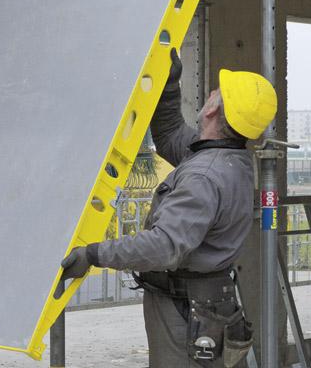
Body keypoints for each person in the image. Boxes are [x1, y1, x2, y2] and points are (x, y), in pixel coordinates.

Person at [58, 53, 276, 367]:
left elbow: (163, 246)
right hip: (208, 300)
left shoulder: (203, 176)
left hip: (186, 309)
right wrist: (169, 85)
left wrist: (93, 255)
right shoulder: (228, 159)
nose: (210, 94)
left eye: (215, 92)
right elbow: (171, 135)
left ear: (214, 107)